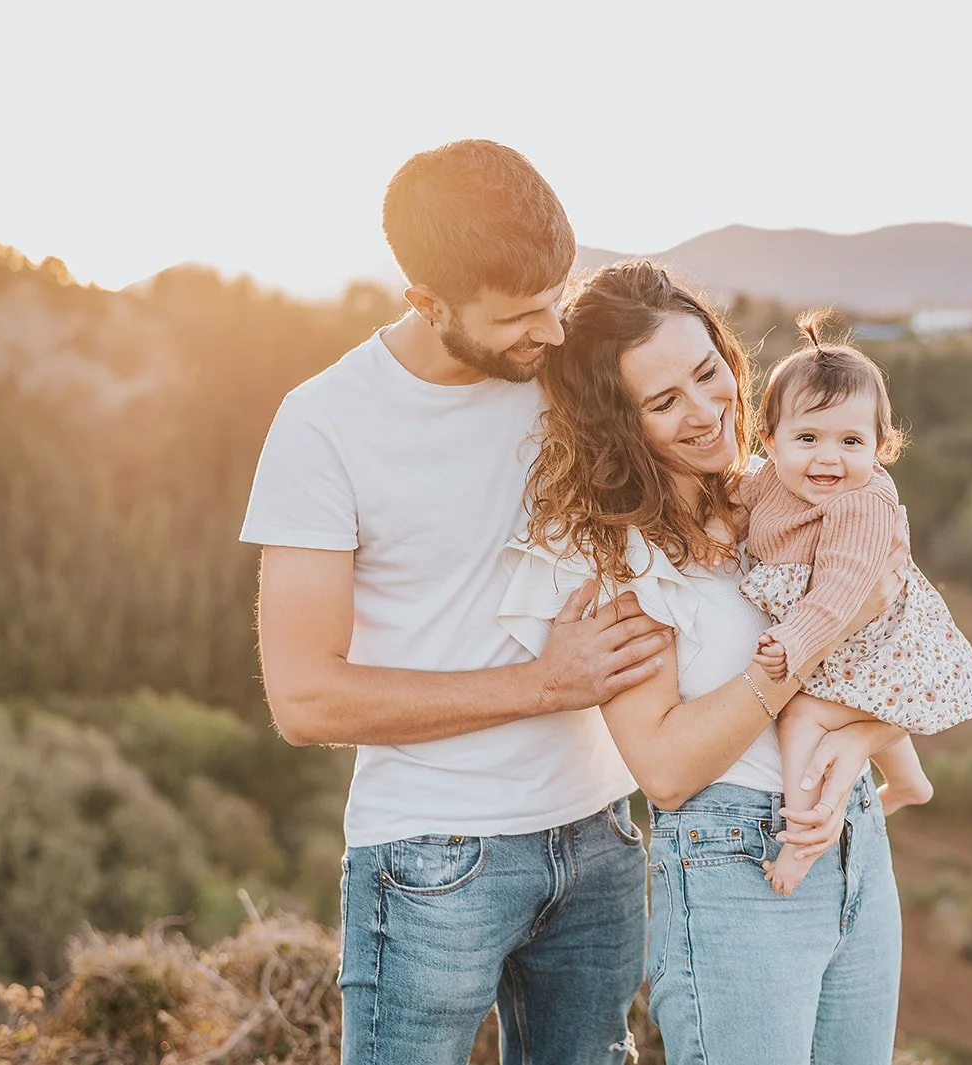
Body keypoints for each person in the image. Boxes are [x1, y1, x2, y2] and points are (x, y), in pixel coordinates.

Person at [239, 140, 673, 1065]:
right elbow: (305, 698)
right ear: (425, 304)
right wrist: (544, 684)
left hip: (601, 834)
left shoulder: (564, 373)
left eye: (556, 300)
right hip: (433, 858)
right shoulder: (324, 425)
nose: (551, 334)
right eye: (520, 316)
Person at [498, 260, 909, 1065]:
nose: (703, 411)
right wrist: (815, 639)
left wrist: (858, 748)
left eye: (706, 372)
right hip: (736, 875)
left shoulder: (782, 487)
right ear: (621, 424)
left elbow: (892, 641)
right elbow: (667, 767)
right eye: (663, 401)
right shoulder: (616, 558)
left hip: (852, 836)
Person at [741, 310, 972, 894]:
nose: (829, 458)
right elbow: (738, 501)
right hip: (840, 632)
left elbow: (842, 593)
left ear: (881, 446)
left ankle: (802, 839)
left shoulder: (862, 505)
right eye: (808, 438)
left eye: (852, 441)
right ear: (770, 441)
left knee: (800, 716)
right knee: (860, 710)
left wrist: (793, 641)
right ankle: (909, 784)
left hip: (867, 637)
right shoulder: (772, 478)